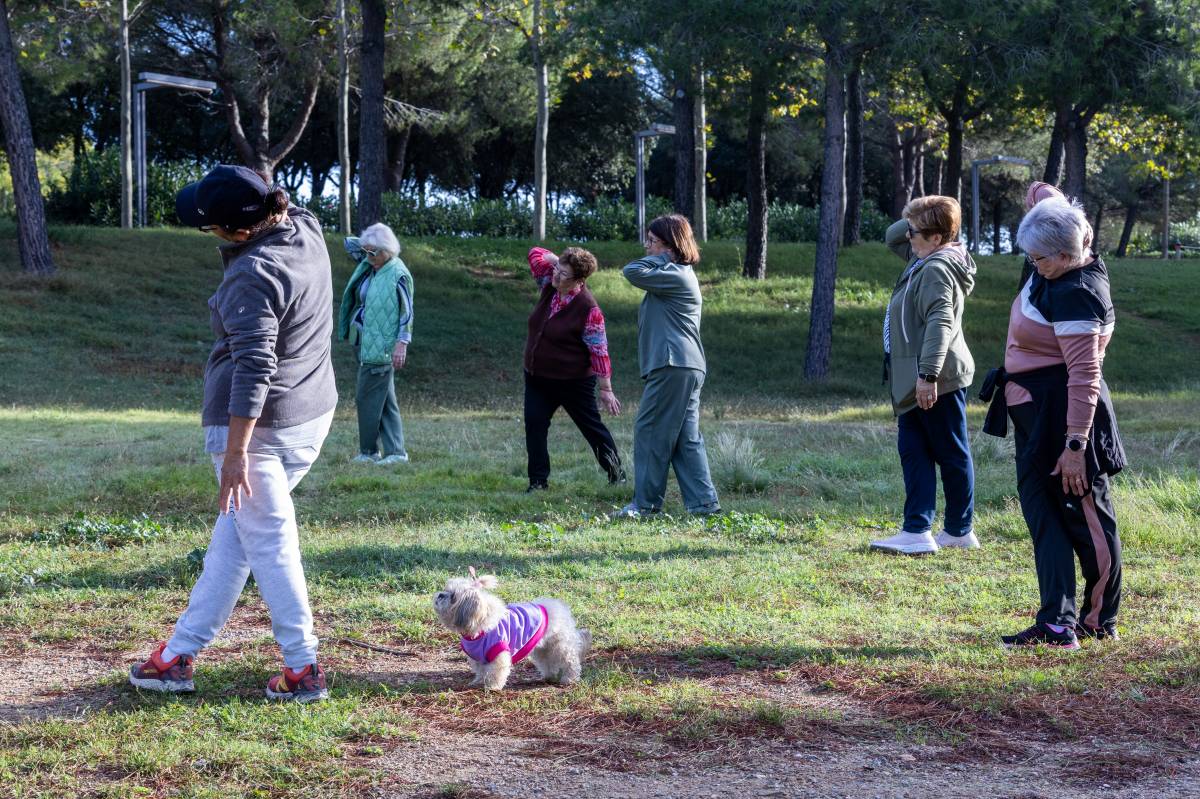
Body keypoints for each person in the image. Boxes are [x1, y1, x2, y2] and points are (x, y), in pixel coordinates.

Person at [130, 164, 337, 702]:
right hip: (309, 416)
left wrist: (235, 454)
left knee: (269, 544)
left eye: (211, 225)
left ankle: (302, 667)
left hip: (255, 432)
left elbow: (254, 367)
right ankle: (177, 655)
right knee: (235, 541)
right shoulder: (305, 225)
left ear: (239, 231)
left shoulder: (252, 272)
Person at [981, 191, 1126, 649]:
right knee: (1043, 513)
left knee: (1085, 514)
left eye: (1039, 257)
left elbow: (1085, 375)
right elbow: (1045, 196)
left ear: (1067, 254)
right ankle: (1056, 623)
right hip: (1036, 413)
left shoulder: (1076, 294)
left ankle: (1098, 620)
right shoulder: (1056, 260)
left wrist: (1076, 446)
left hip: (1067, 417)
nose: (1032, 264)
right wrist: (1049, 202)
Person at [871, 195, 978, 555]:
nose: (907, 237)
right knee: (918, 449)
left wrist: (928, 375)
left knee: (945, 452)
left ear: (935, 238)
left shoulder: (935, 268)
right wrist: (920, 214)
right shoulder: (926, 255)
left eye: (914, 232)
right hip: (921, 374)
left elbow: (940, 322)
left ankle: (947, 530)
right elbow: (892, 236)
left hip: (935, 375)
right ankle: (927, 529)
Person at [612, 214, 720, 519]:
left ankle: (645, 506)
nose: (647, 247)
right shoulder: (677, 275)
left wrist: (665, 257)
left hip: (673, 364)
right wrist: (664, 255)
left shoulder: (675, 273)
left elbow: (631, 270)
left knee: (649, 431)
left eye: (652, 241)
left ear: (671, 245)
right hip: (685, 366)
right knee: (686, 439)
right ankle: (704, 504)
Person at [523, 246, 624, 491]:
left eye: (564, 274)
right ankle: (538, 482)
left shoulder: (589, 309)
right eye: (556, 270)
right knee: (535, 424)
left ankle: (617, 475)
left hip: (572, 382)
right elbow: (535, 253)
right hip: (538, 377)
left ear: (580, 280)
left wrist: (606, 389)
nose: (556, 276)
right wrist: (557, 261)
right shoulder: (549, 284)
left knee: (591, 428)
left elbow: (599, 350)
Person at [339, 223, 414, 465]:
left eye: (373, 252)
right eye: (366, 252)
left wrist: (402, 343)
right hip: (363, 341)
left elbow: (407, 312)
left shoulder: (398, 273)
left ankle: (369, 451)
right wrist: (369, 243)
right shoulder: (370, 265)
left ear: (387, 250)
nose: (368, 257)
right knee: (385, 399)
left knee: (366, 397)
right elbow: (349, 243)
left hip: (382, 346)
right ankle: (396, 452)